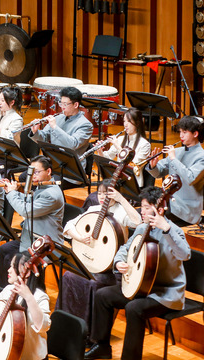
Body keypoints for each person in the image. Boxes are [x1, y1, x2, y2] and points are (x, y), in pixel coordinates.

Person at [85, 186, 191, 360]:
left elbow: (185, 254)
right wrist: (118, 262)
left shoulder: (174, 230)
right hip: (140, 286)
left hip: (165, 293)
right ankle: (102, 346)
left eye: (146, 207)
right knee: (103, 295)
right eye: (142, 206)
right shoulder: (142, 228)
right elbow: (125, 248)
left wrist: (166, 229)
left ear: (159, 210)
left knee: (133, 308)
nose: (142, 211)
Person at [56, 179, 141, 334]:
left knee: (93, 284)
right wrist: (80, 237)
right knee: (68, 276)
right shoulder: (94, 208)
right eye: (99, 193)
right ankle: (67, 326)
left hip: (109, 268)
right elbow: (68, 226)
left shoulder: (121, 212)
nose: (102, 196)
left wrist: (121, 199)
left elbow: (138, 222)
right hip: (91, 261)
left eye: (106, 193)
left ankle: (89, 333)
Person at [0, 155, 64, 287]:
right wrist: (11, 190)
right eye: (31, 173)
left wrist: (12, 193)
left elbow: (25, 210)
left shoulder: (51, 194)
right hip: (31, 237)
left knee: (12, 259)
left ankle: (22, 292)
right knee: (3, 250)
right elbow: (29, 200)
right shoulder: (42, 186)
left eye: (36, 172)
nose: (33, 176)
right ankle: (5, 290)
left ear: (48, 171)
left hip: (44, 244)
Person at [0, 251, 50, 360]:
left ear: (26, 272)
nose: (8, 270)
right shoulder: (9, 289)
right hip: (2, 352)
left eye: (13, 266)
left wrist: (28, 297)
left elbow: (43, 326)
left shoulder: (39, 297)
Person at [30, 86, 93, 187]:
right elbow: (44, 138)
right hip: (53, 166)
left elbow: (73, 144)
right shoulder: (58, 118)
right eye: (61, 103)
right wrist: (35, 132)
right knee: (25, 177)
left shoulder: (85, 125)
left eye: (65, 104)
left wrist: (55, 127)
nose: (62, 107)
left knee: (41, 184)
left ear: (76, 105)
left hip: (71, 173)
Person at [147, 115, 204, 226]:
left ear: (195, 134)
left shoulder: (201, 156)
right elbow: (159, 173)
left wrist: (173, 159)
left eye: (185, 132)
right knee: (144, 212)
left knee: (150, 217)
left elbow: (191, 178)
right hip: (170, 202)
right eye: (180, 132)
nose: (181, 135)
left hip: (186, 209)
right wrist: (153, 166)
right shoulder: (177, 151)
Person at [98, 107, 151, 187]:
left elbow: (133, 165)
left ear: (137, 123)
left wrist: (118, 147)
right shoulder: (120, 139)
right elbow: (108, 157)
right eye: (124, 121)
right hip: (118, 181)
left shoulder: (145, 144)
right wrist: (100, 151)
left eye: (129, 121)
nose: (125, 124)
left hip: (133, 184)